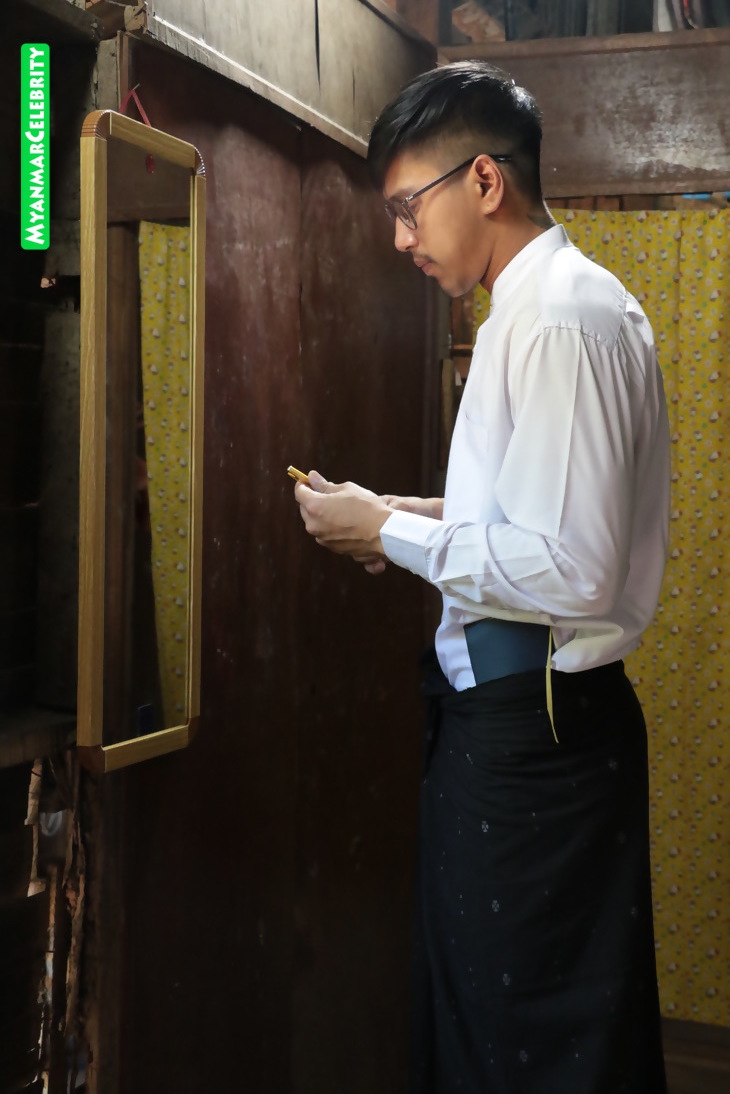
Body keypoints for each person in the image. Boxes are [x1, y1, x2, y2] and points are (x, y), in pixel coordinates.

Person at [293, 61, 670, 1094]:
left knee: (526, 1042)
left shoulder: (559, 317)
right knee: (489, 1021)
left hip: (537, 735)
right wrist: (407, 516)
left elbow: (574, 572)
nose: (401, 239)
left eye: (407, 209)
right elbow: (534, 521)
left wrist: (393, 534)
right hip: (520, 724)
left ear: (485, 182)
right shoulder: (534, 310)